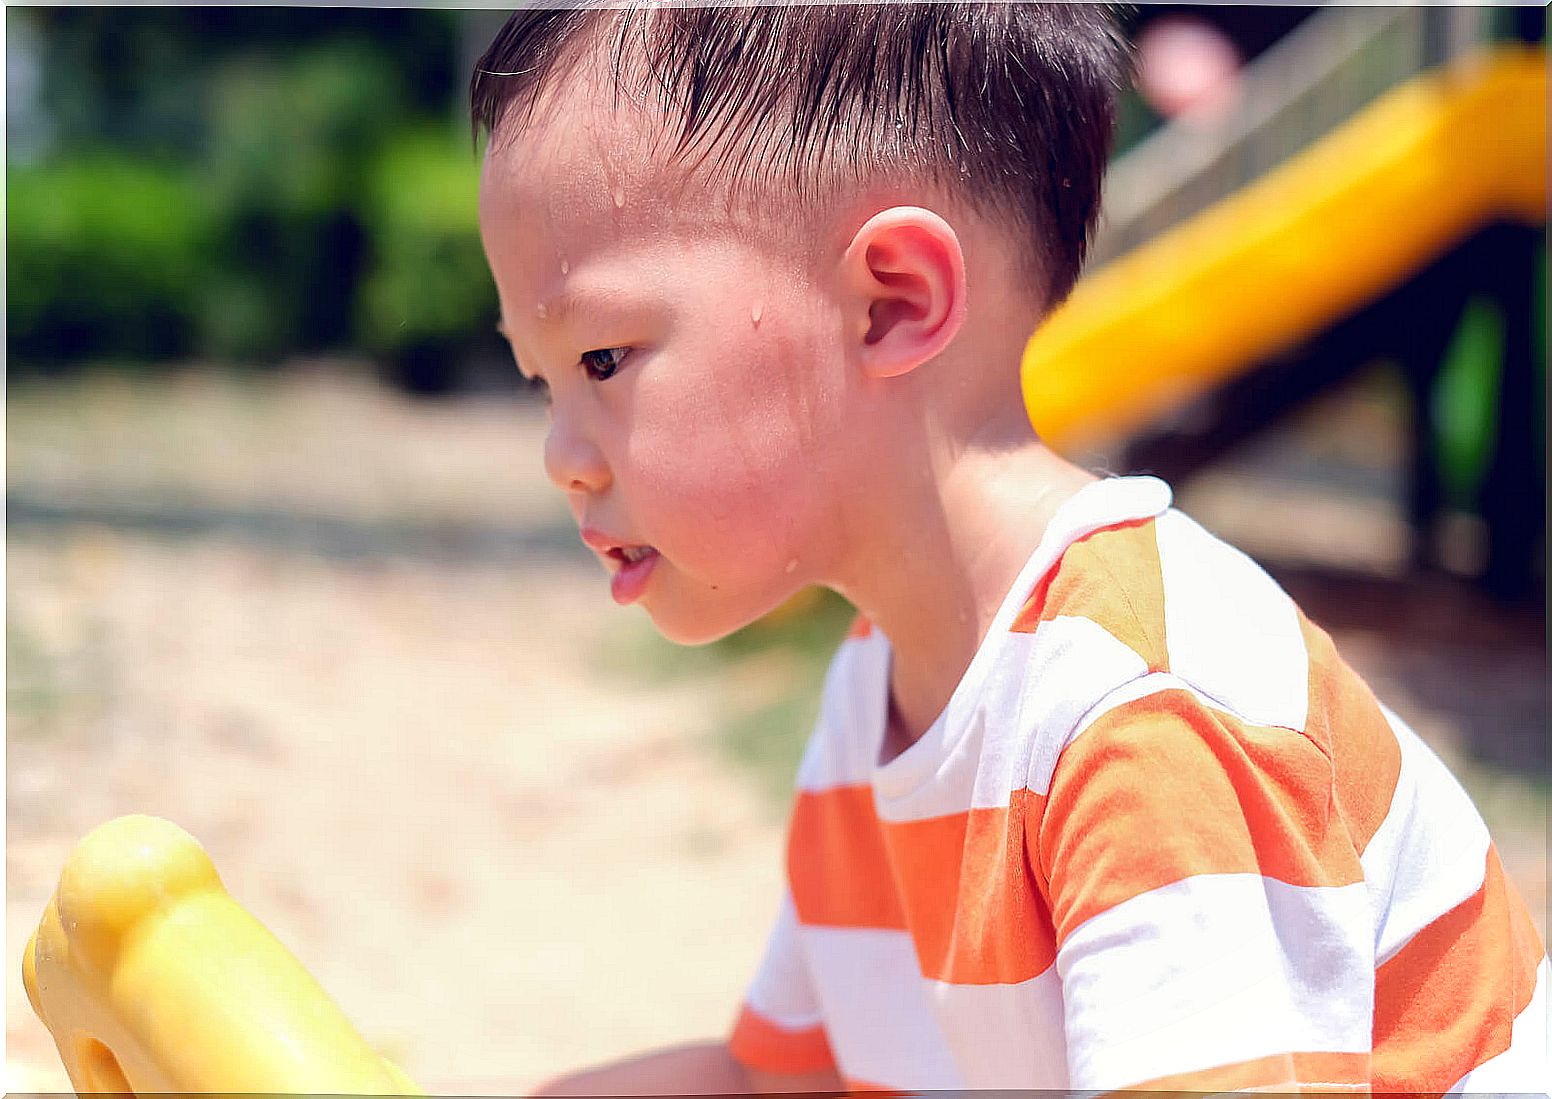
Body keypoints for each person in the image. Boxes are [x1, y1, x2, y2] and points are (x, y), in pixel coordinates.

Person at [471, 3, 1548, 1093]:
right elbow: (775, 1085)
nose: (563, 456)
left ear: (890, 303)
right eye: (540, 382)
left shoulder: (1142, 704)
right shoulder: (876, 690)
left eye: (602, 360)